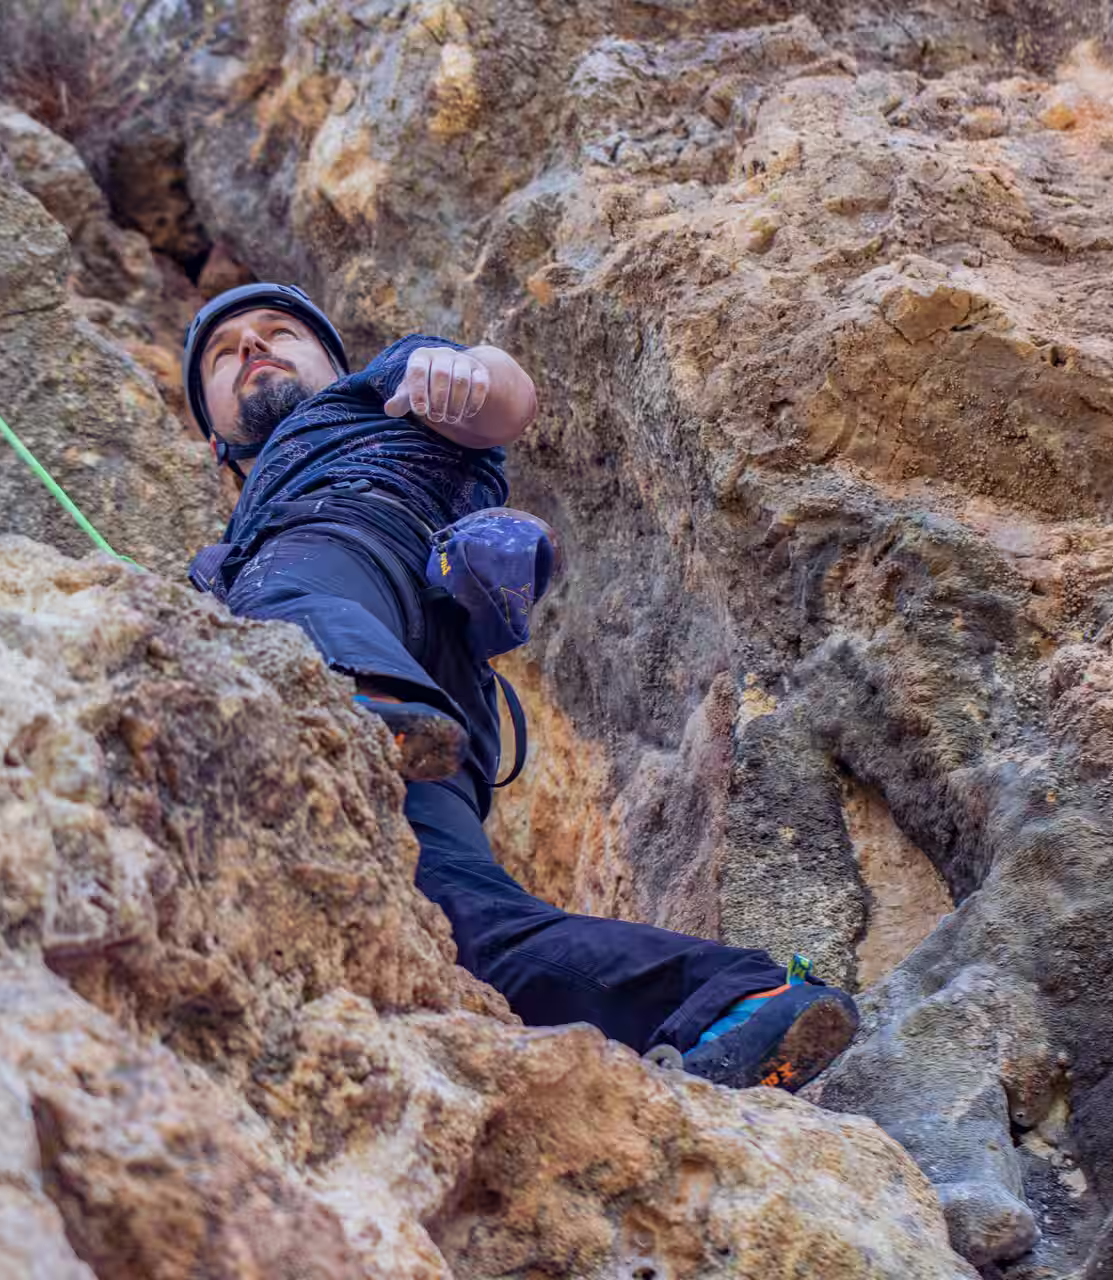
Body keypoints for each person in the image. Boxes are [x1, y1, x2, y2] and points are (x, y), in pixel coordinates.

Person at [183, 283, 857, 1091]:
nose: (253, 349)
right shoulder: (239, 534)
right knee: (458, 925)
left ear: (338, 363)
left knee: (280, 601)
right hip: (434, 701)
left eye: (278, 332)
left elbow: (503, 398)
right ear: (216, 444)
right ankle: (742, 999)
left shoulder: (384, 391)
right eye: (226, 355)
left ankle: (352, 696)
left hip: (359, 567)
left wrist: (461, 370)